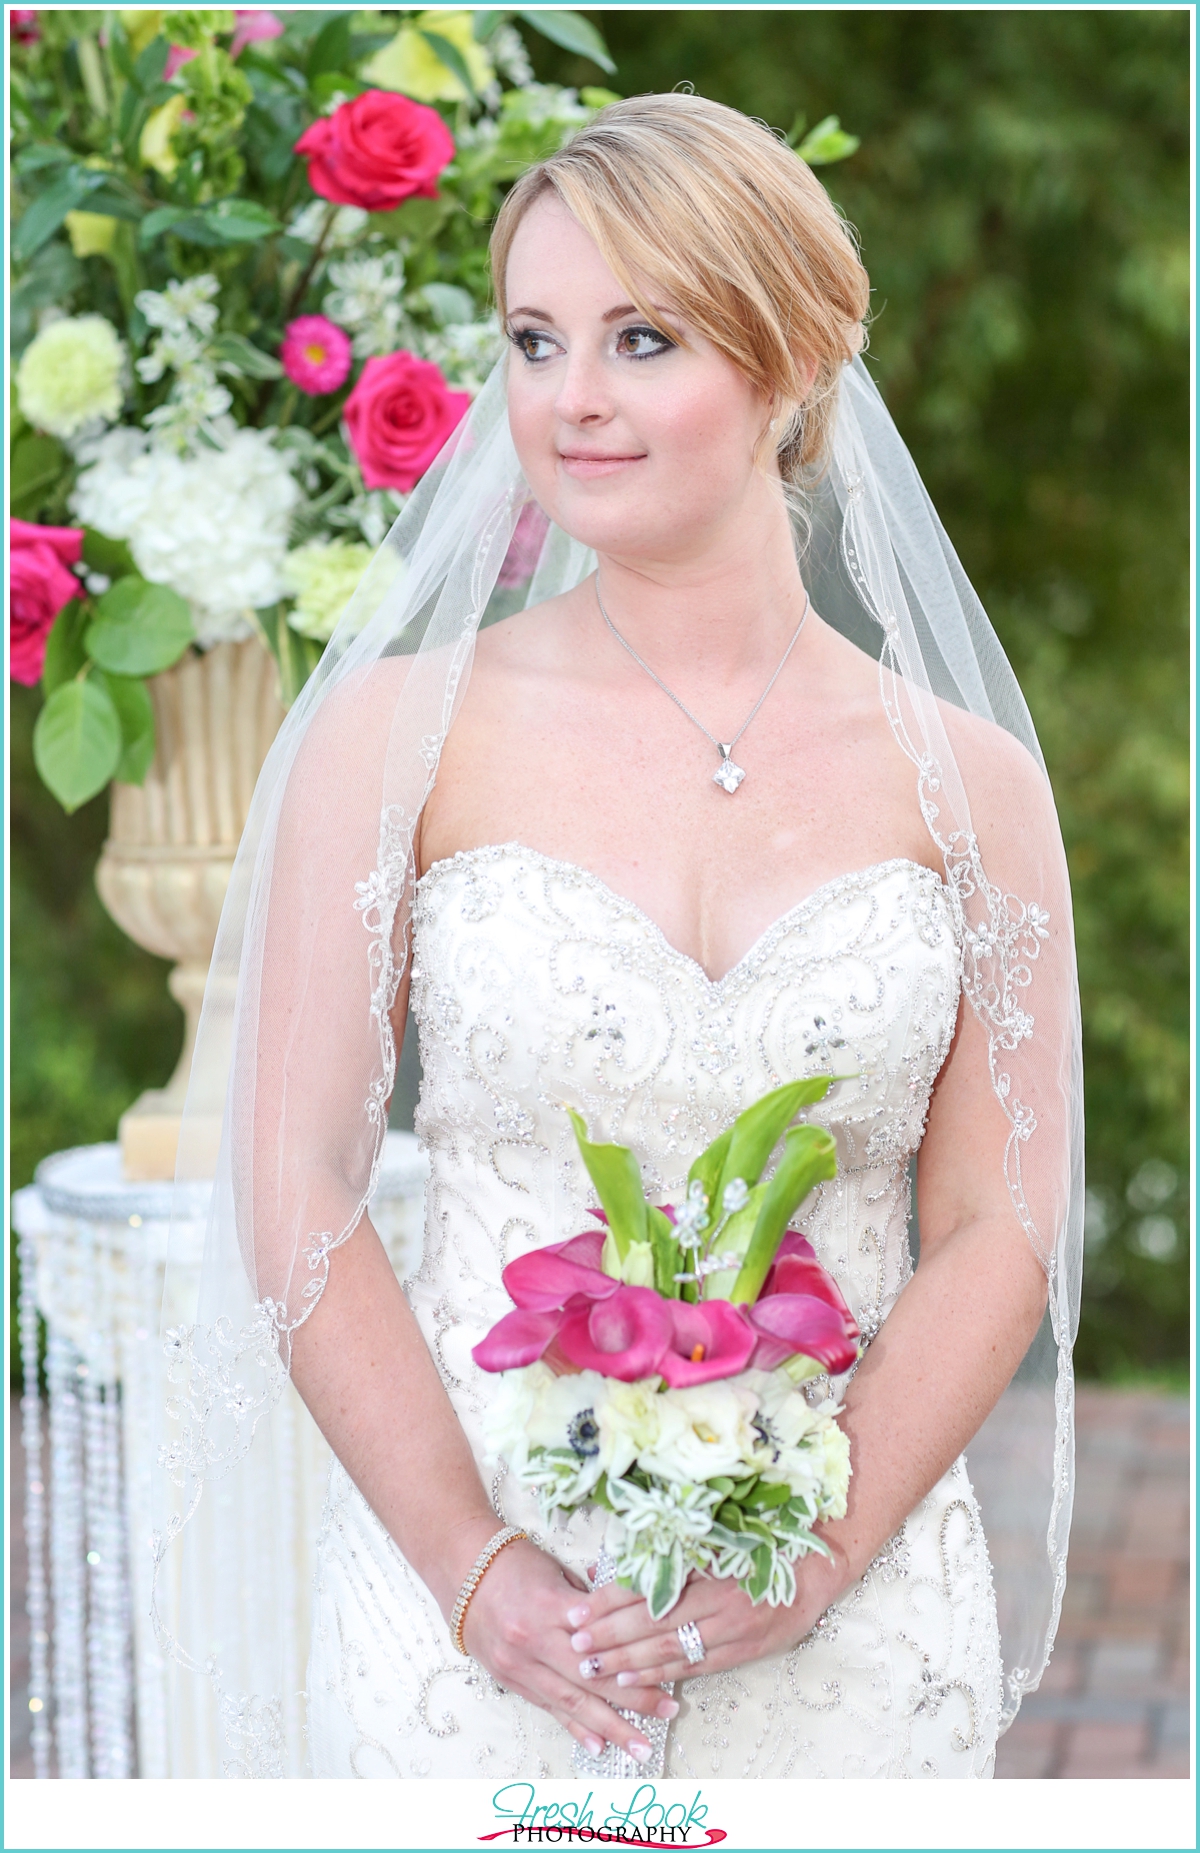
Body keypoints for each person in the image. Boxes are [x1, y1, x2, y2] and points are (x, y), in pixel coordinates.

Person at [156, 94, 1082, 1781]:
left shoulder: (977, 792)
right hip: (481, 1612)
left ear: (794, 359)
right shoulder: (392, 736)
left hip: (846, 1614)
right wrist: (472, 1565)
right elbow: (293, 1168)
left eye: (640, 338)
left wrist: (812, 1552)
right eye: (533, 337)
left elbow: (997, 1229)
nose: (567, 398)